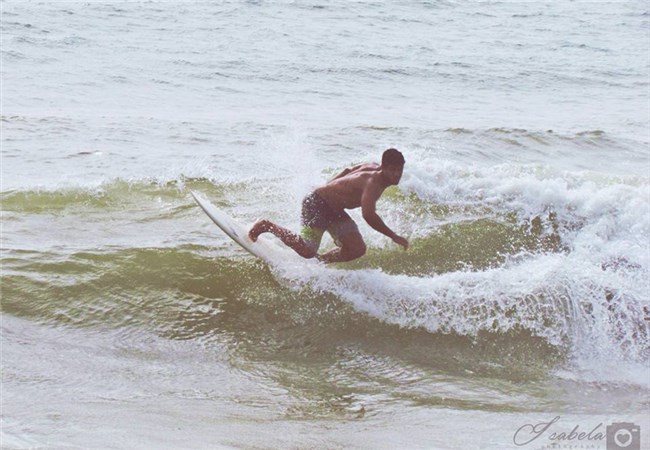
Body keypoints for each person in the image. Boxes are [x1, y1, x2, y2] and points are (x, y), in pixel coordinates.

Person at [248, 148, 409, 263]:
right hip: (317, 204)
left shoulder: (372, 166)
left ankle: (319, 262)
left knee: (357, 249)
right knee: (307, 250)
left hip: (335, 210)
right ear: (384, 167)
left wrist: (328, 186)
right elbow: (369, 215)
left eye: (399, 170)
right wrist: (393, 235)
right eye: (393, 170)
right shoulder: (373, 184)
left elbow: (348, 169)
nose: (397, 175)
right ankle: (266, 225)